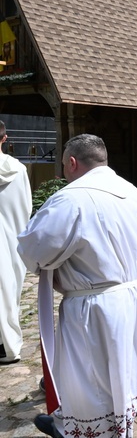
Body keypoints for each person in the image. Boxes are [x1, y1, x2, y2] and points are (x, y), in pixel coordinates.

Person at [17, 134, 137, 438]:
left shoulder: (71, 198)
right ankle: (115, 424)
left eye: (63, 165)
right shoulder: (132, 192)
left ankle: (84, 430)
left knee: (89, 378)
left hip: (91, 308)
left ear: (73, 163)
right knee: (121, 370)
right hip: (129, 298)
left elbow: (34, 250)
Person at [0, 120, 32, 364]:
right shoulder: (19, 170)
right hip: (11, 238)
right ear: (5, 138)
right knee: (8, 290)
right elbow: (26, 207)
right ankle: (7, 345)